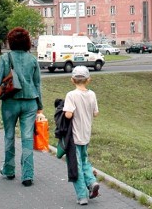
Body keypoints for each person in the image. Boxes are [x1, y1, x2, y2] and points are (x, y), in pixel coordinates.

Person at [0, 27, 43, 187]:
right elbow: (37, 84)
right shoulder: (32, 60)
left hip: (10, 103)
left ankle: (9, 170)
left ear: (11, 42)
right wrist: (39, 105)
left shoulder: (5, 58)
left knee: (9, 136)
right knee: (27, 138)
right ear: (27, 42)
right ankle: (27, 175)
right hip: (30, 103)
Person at [62, 66, 100, 205]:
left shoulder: (71, 95)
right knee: (84, 161)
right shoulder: (92, 94)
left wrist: (65, 111)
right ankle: (92, 182)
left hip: (74, 136)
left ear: (72, 80)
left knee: (76, 165)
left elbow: (68, 114)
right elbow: (96, 113)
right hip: (86, 135)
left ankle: (82, 196)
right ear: (88, 80)